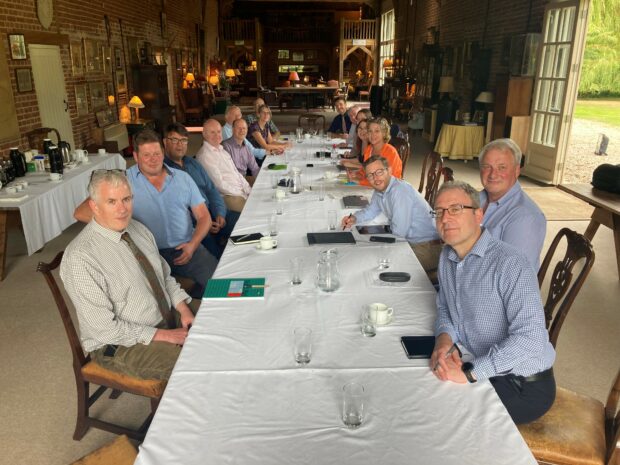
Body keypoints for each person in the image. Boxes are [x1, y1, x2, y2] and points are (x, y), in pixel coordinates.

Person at [430, 180, 556, 425]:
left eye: (455, 209)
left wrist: (470, 373)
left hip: (523, 383)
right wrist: (444, 339)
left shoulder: (510, 263)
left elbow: (531, 338)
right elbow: (445, 305)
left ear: (478, 214)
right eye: (439, 212)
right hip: (480, 359)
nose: (445, 218)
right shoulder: (448, 256)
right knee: (427, 387)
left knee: (444, 415)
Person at [61, 170, 194, 381]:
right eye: (111, 201)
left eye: (126, 199)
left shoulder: (138, 230)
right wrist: (165, 335)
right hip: (119, 344)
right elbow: (105, 330)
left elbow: (164, 277)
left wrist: (183, 308)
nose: (122, 209)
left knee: (218, 320)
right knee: (196, 365)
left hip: (164, 314)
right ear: (94, 206)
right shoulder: (80, 258)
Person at [74, 130, 217, 299]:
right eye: (146, 155)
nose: (153, 159)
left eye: (157, 153)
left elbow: (204, 217)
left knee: (220, 284)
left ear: (163, 153)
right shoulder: (123, 181)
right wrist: (123, 225)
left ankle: (197, 297)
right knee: (150, 301)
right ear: (135, 156)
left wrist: (193, 244)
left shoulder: (182, 178)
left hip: (185, 248)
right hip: (145, 253)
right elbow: (81, 212)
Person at [341, 156, 440, 269]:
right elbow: (370, 211)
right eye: (370, 175)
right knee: (364, 253)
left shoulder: (400, 191)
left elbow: (399, 232)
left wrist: (373, 241)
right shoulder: (380, 190)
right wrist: (354, 218)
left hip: (426, 247)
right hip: (408, 241)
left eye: (379, 172)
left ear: (389, 170)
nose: (376, 178)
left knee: (378, 264)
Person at [162, 122, 238, 259]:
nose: (180, 145)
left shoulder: (193, 163)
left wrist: (220, 213)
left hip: (215, 214)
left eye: (183, 140)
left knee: (245, 225)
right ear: (165, 142)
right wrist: (204, 223)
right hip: (197, 226)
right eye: (174, 140)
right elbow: (176, 210)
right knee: (219, 260)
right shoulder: (164, 171)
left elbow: (211, 189)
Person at [478, 138, 546, 270]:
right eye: (487, 167)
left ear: (516, 171)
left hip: (491, 289)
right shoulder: (477, 199)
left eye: (501, 167)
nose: (493, 174)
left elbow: (513, 277)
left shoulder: (525, 218)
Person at [196, 119, 251, 213]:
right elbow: (219, 185)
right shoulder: (205, 156)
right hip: (228, 196)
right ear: (204, 134)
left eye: (218, 131)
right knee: (253, 211)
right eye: (212, 132)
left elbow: (236, 172)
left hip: (239, 190)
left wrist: (248, 189)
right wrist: (241, 193)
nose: (217, 135)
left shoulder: (222, 150)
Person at [350, 117, 402, 185]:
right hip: (372, 188)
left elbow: (387, 180)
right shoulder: (369, 149)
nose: (372, 134)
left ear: (384, 133)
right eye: (370, 131)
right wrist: (357, 174)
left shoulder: (391, 152)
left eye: (377, 131)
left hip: (390, 191)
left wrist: (360, 181)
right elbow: (366, 170)